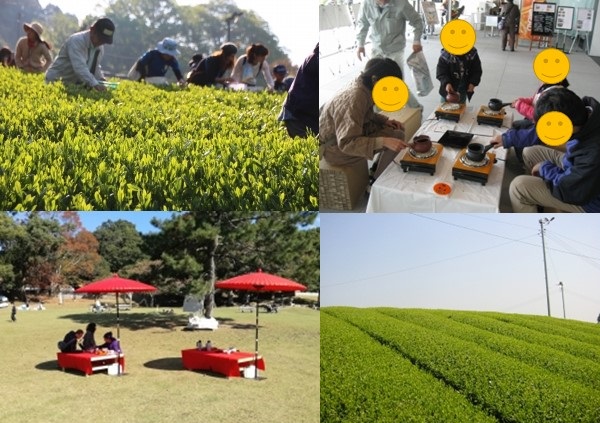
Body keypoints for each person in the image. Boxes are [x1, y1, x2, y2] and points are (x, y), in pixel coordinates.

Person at [506, 88, 600, 212]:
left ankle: (540, 222)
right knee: (531, 151)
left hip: (587, 199)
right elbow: (543, 130)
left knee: (519, 187)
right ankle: (539, 200)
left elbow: (571, 190)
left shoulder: (593, 153)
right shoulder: (585, 112)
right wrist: (507, 139)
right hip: (577, 168)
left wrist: (545, 168)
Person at [319, 58, 408, 181]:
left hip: (341, 137)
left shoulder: (363, 85)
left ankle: (375, 170)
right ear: (375, 79)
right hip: (334, 149)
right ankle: (376, 182)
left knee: (395, 129)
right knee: (397, 136)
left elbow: (362, 114)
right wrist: (383, 142)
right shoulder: (355, 97)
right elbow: (347, 143)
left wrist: (384, 121)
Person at [355, 0, 424, 109]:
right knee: (374, 83)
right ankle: (377, 113)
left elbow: (417, 21)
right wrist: (360, 44)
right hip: (377, 49)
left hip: (395, 50)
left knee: (396, 83)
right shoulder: (367, 4)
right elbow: (362, 23)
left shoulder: (401, 3)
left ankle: (416, 108)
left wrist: (416, 41)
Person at [45, 17, 115, 91]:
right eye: (100, 38)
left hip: (72, 85)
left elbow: (95, 66)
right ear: (92, 30)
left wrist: (101, 78)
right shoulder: (77, 41)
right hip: (55, 81)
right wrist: (95, 84)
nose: (102, 42)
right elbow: (80, 67)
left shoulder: (99, 47)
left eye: (104, 40)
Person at [278, 44, 318, 138]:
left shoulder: (315, 57)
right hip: (298, 116)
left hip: (306, 114)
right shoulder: (315, 59)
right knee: (308, 148)